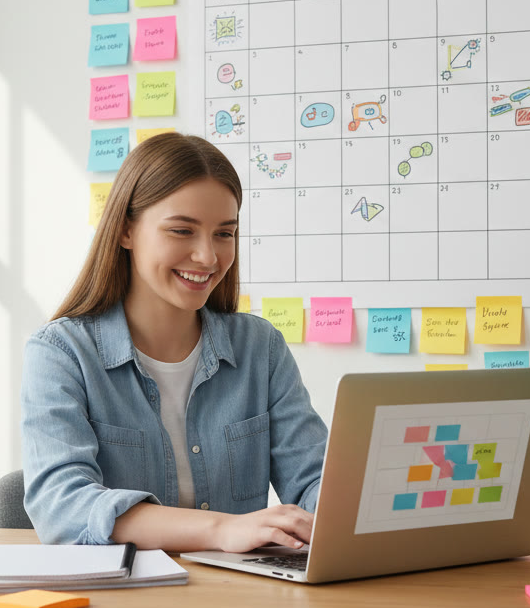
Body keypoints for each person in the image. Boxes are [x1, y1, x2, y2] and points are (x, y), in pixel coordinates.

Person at [21, 133, 327, 552]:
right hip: (118, 607)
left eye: (224, 234)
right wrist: (220, 529)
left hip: (237, 600)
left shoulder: (261, 347)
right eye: (182, 230)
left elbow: (314, 478)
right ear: (126, 230)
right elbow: (63, 507)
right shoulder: (61, 353)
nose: (208, 256)